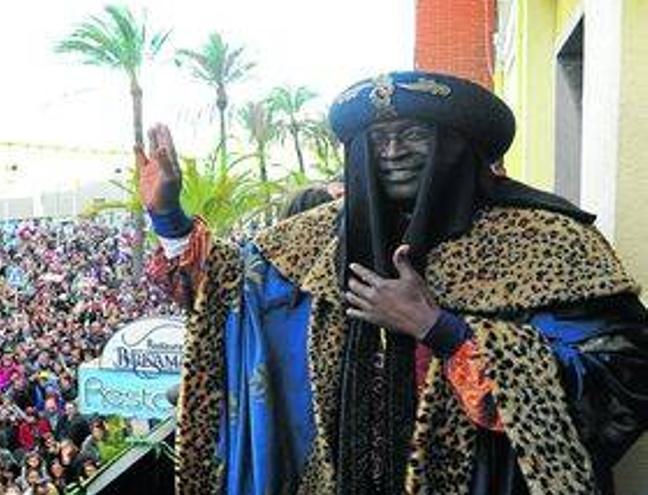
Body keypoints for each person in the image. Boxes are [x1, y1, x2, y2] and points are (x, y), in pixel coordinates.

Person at [138, 71, 648, 494]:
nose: (394, 151)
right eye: (379, 139)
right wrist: (167, 216)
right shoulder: (319, 238)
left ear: (454, 145)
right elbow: (233, 296)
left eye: (413, 134)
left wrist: (441, 330)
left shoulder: (546, 239)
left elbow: (622, 384)